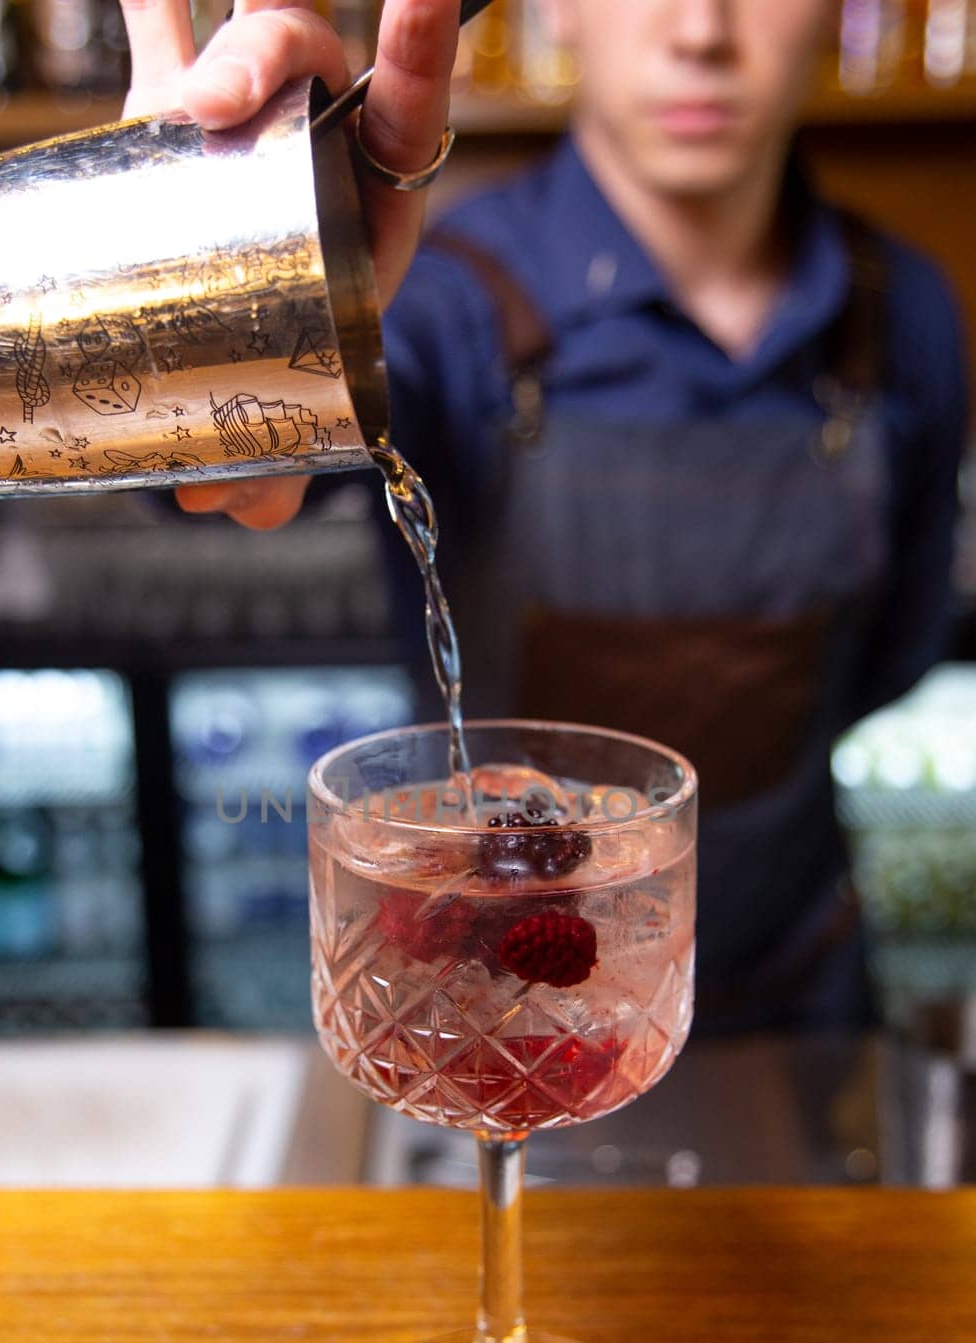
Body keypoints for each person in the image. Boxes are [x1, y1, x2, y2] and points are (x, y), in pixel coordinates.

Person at [119, 0, 968, 1033]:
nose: (698, 31)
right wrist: (202, 295)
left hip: (798, 997)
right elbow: (215, 485)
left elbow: (896, 653)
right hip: (502, 1013)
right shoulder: (432, 299)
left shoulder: (902, 315)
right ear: (554, 10)